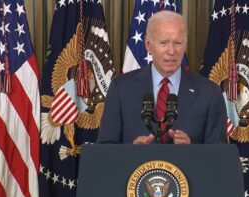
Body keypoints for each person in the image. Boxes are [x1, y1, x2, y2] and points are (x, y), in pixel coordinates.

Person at [97, 10, 226, 144]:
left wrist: (192, 152)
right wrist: (130, 153)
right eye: (163, 43)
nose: (171, 51)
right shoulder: (121, 88)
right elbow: (105, 151)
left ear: (185, 44)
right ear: (148, 45)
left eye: (178, 43)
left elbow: (219, 157)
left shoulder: (209, 92)